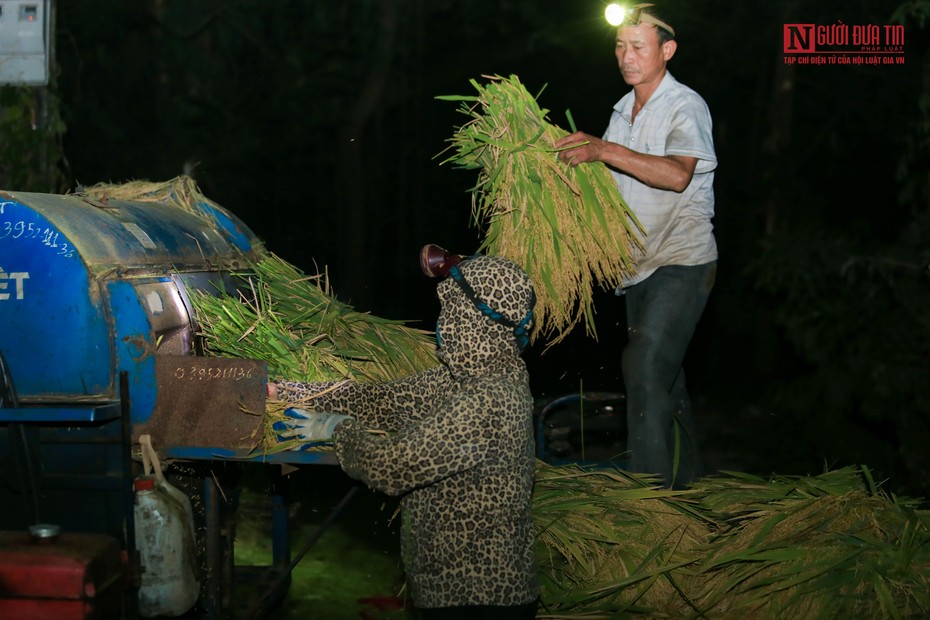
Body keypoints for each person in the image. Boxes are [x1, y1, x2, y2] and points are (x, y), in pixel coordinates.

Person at [268, 251, 539, 620]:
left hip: (479, 598)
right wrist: (288, 392)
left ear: (472, 320)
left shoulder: (489, 399)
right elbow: (383, 401)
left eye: (452, 310)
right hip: (451, 593)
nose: (445, 321)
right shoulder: (464, 379)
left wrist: (336, 430)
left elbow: (393, 466)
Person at [554, 3, 717, 488]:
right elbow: (611, 185)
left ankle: (646, 503)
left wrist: (603, 149)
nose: (626, 57)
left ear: (667, 50)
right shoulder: (621, 111)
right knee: (666, 381)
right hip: (636, 269)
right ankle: (687, 491)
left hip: (681, 260)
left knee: (643, 361)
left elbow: (675, 174)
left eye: (638, 47)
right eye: (620, 47)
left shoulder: (684, 105)